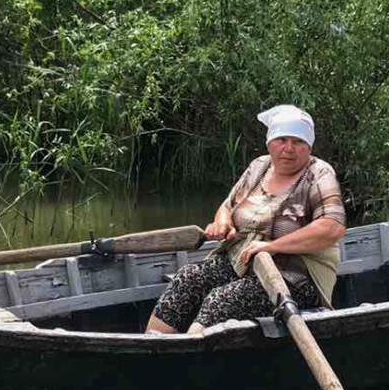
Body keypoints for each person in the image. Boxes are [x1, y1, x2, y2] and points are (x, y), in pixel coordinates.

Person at [145, 105, 346, 334]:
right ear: (270, 143)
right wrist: (223, 223)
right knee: (188, 278)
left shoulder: (318, 174)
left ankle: (190, 358)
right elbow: (228, 206)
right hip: (240, 264)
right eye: (282, 139)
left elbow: (331, 228)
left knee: (220, 301)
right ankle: (154, 348)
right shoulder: (259, 167)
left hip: (293, 279)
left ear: (308, 146)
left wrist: (271, 247)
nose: (289, 148)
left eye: (298, 142)